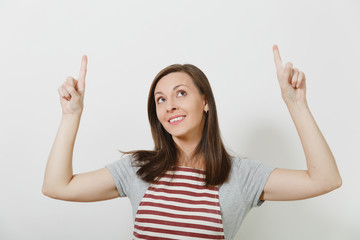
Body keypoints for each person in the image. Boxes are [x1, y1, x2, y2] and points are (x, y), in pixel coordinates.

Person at [42, 45, 342, 240]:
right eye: (161, 99)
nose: (169, 105)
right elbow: (57, 186)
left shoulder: (241, 176)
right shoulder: (138, 169)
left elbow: (325, 180)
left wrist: (296, 104)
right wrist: (71, 115)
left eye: (181, 93)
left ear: (205, 102)